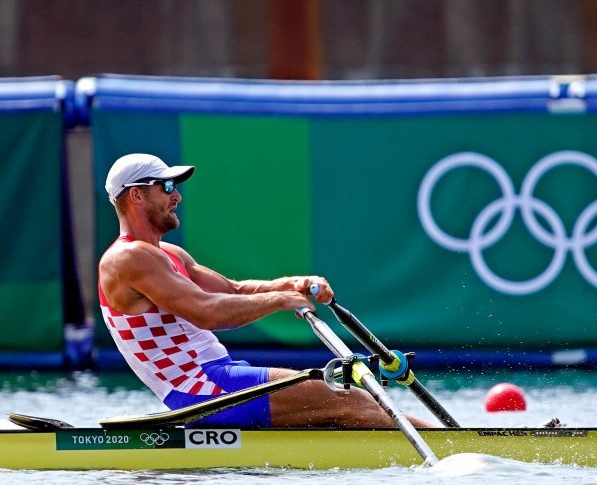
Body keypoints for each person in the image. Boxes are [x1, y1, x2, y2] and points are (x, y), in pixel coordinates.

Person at [98, 153, 433, 429]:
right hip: (201, 391)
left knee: (350, 401)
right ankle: (453, 445)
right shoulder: (128, 258)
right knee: (349, 398)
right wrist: (279, 300)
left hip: (221, 379)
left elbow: (233, 289)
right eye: (167, 186)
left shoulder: (169, 254)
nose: (177, 196)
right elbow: (208, 312)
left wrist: (289, 284)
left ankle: (448, 439)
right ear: (137, 195)